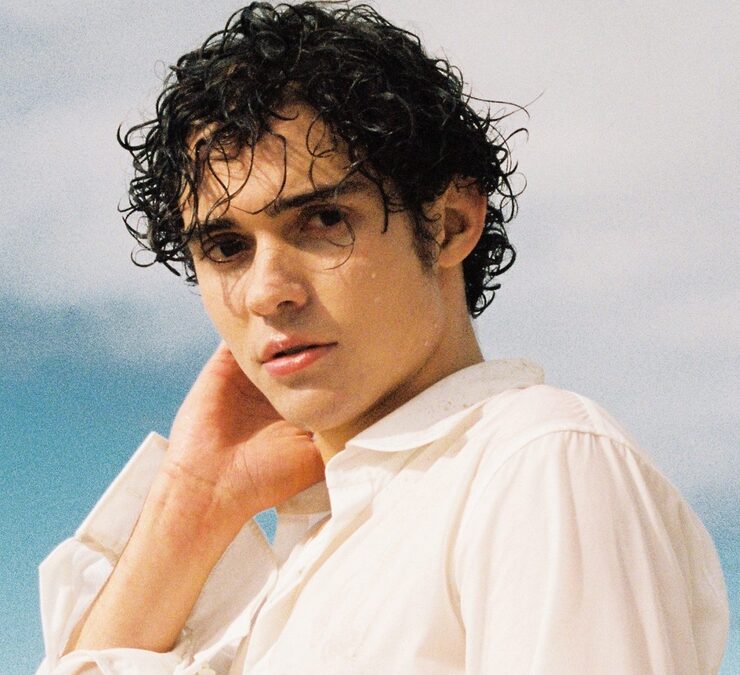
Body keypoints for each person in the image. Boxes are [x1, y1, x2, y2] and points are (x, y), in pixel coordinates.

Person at [36, 2, 728, 673]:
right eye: (226, 247)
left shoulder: (536, 463)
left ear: (450, 224)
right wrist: (192, 502)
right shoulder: (296, 566)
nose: (266, 291)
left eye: (323, 220)